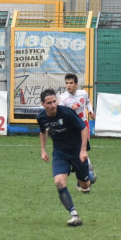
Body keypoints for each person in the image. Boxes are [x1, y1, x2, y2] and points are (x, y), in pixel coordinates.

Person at [37, 89, 96, 227]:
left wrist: (83, 151)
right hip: (60, 153)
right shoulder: (41, 117)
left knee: (85, 185)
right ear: (43, 104)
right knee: (59, 182)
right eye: (49, 103)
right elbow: (43, 132)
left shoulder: (66, 112)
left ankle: (88, 170)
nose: (53, 105)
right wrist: (43, 150)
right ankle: (74, 214)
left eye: (54, 101)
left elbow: (83, 128)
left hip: (76, 152)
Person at [59, 73, 96, 192]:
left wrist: (90, 111)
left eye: (71, 83)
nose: (68, 85)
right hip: (71, 128)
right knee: (75, 150)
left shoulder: (83, 93)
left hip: (84, 124)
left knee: (84, 148)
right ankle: (84, 173)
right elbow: (60, 114)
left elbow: (88, 103)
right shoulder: (63, 98)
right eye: (66, 83)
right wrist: (70, 111)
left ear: (76, 84)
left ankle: (85, 171)